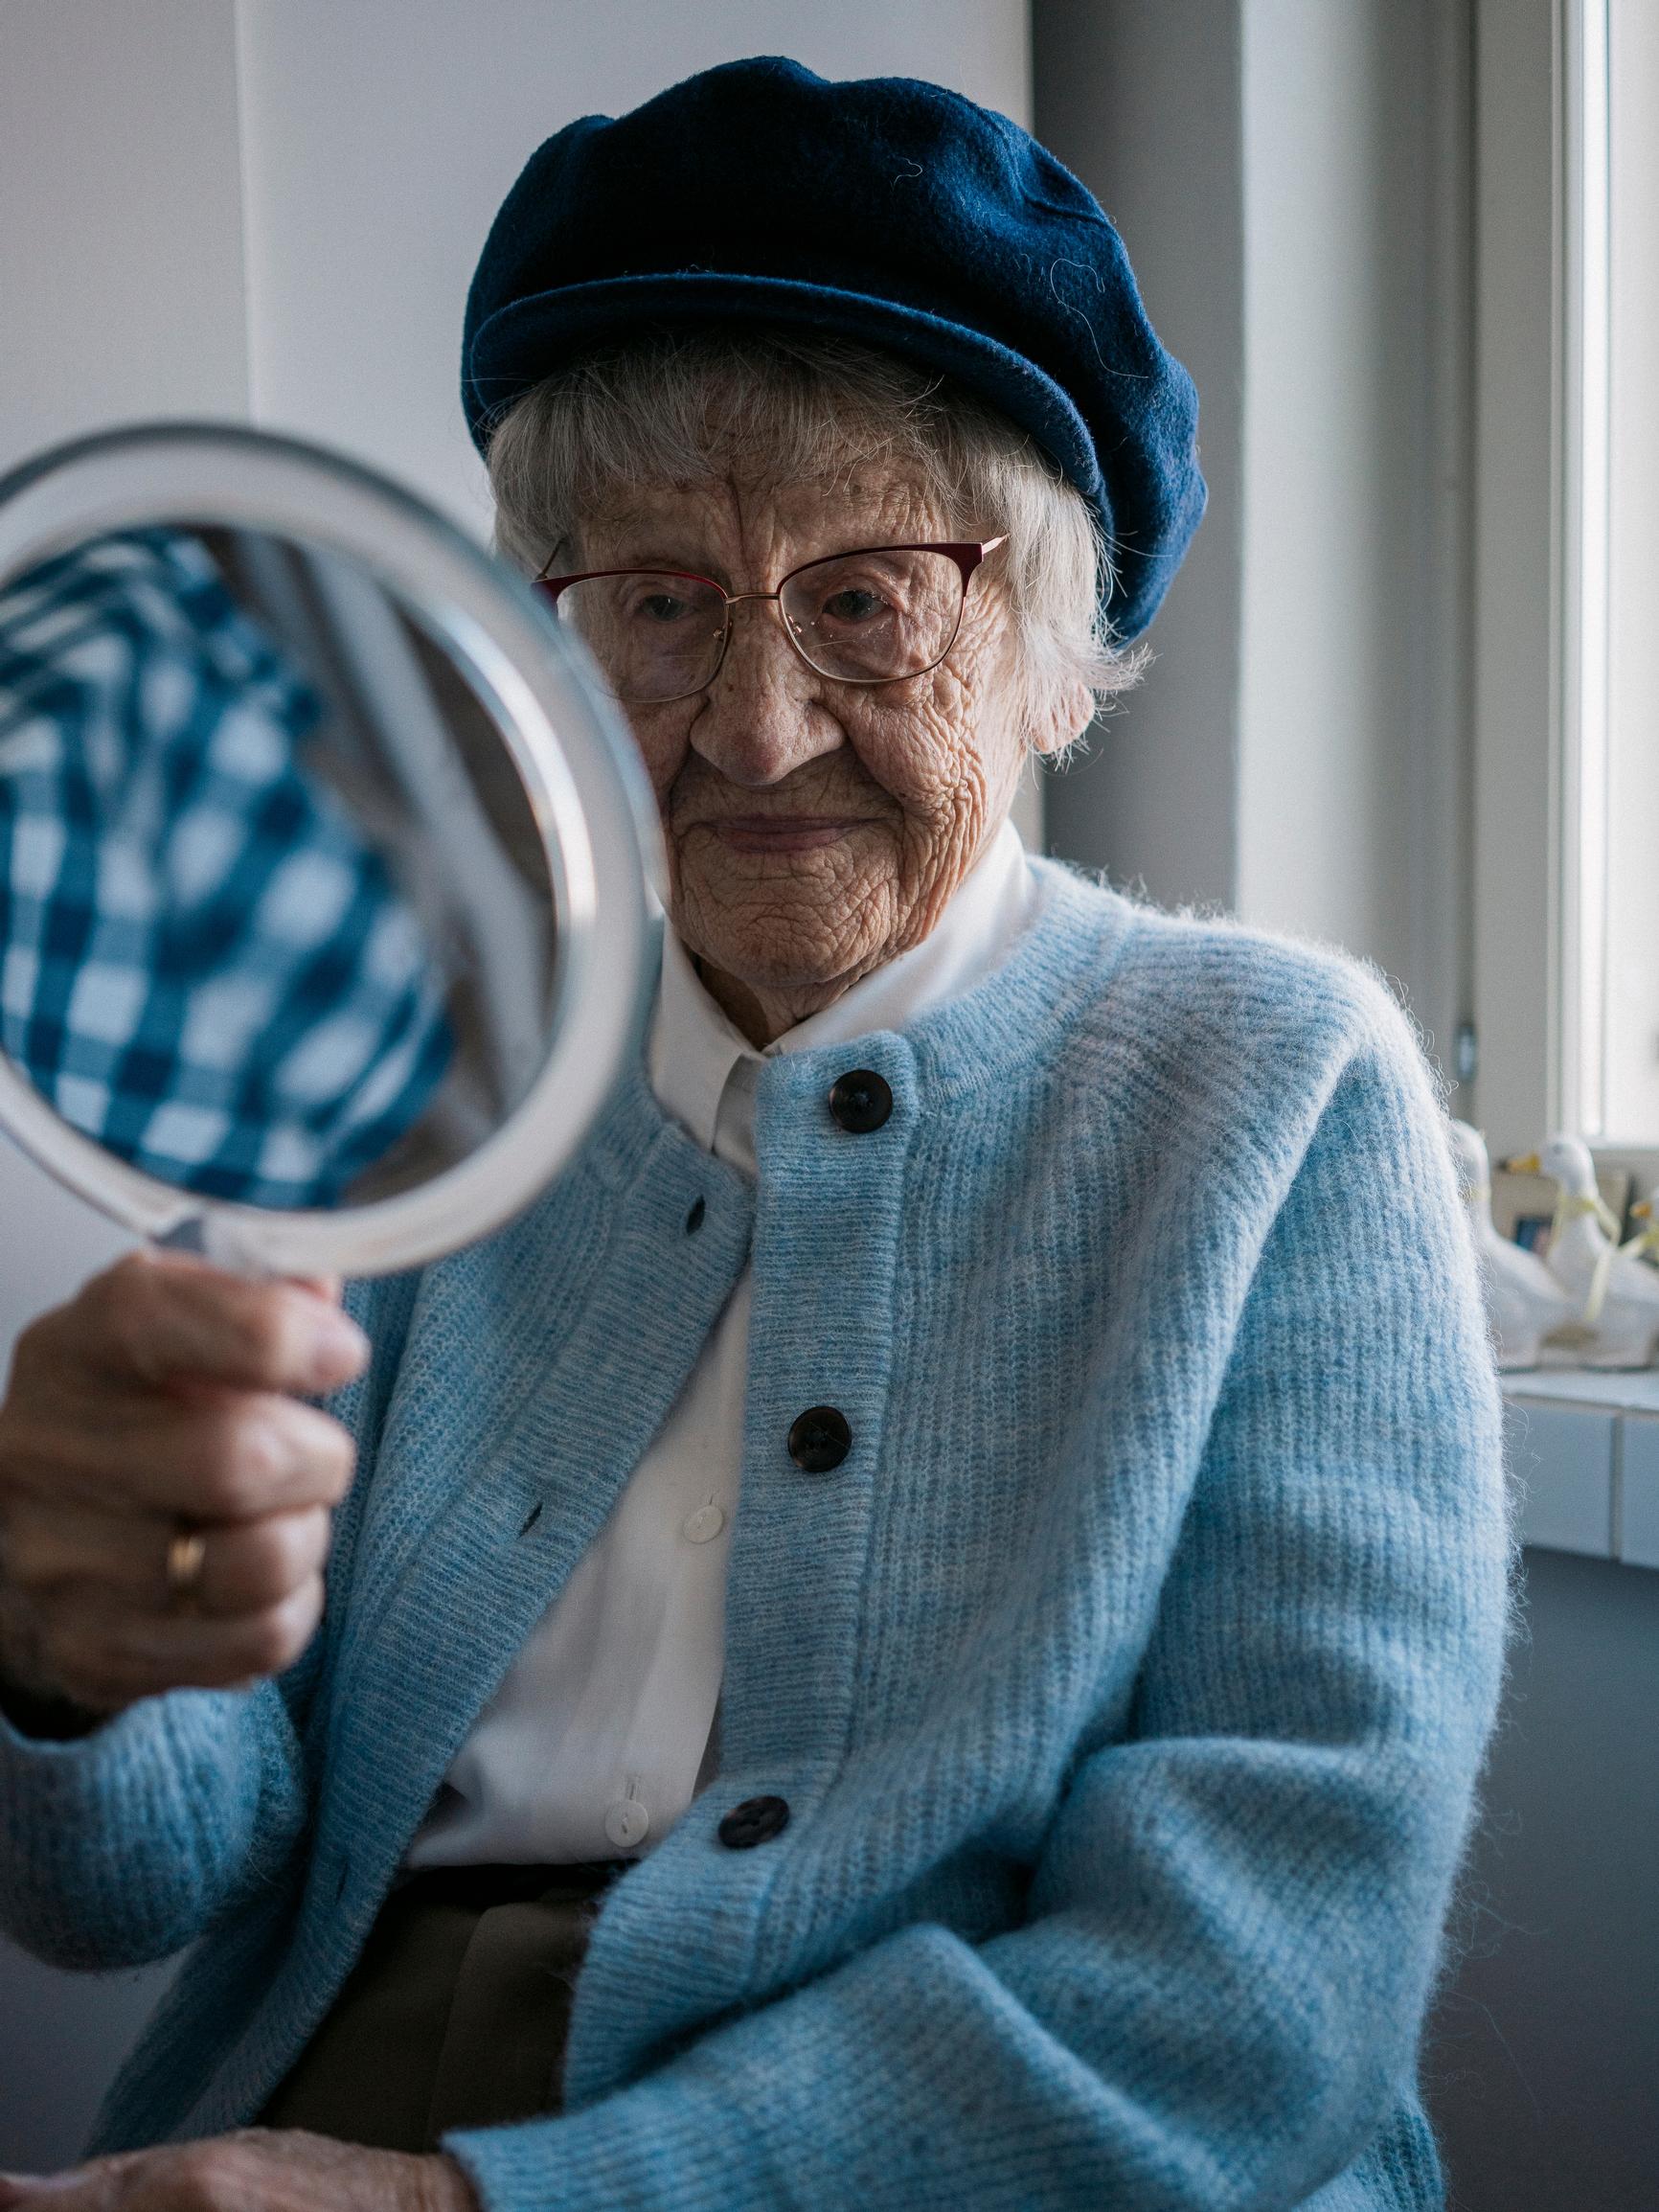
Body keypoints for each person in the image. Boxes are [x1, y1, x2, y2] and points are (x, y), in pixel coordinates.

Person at [0, 57, 1508, 2212]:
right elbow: (144, 1880)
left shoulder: (1273, 1098)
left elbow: (1248, 2001)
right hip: (314, 2107)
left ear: (1056, 657)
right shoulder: (405, 1064)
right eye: (657, 601)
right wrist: (63, 1658)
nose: (755, 722)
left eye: (872, 595)